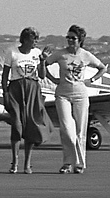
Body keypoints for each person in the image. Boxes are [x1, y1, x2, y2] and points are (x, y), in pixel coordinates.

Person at [43, 25, 106, 174]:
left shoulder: (85, 55)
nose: (70, 40)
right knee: (67, 129)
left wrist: (91, 80)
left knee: (80, 131)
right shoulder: (60, 54)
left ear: (80, 40)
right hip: (62, 94)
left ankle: (79, 164)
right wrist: (52, 78)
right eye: (68, 37)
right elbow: (44, 65)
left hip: (80, 95)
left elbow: (102, 67)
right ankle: (67, 163)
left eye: (73, 38)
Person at [0, 26, 48, 174]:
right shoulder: (12, 53)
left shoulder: (37, 53)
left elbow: (42, 75)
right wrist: (5, 93)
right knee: (17, 125)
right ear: (26, 39)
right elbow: (5, 75)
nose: (36, 42)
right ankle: (15, 161)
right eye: (34, 39)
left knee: (30, 125)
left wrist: (43, 61)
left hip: (32, 88)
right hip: (16, 89)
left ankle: (27, 163)